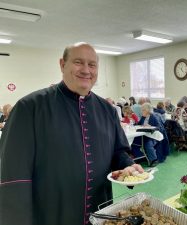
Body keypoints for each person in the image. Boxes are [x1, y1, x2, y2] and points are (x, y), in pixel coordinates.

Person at [0, 42, 143, 225]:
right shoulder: (29, 108)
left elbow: (119, 152)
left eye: (92, 65)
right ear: (62, 64)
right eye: (78, 62)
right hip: (50, 216)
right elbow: (14, 178)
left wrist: (128, 166)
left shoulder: (107, 110)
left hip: (100, 213)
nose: (86, 70)